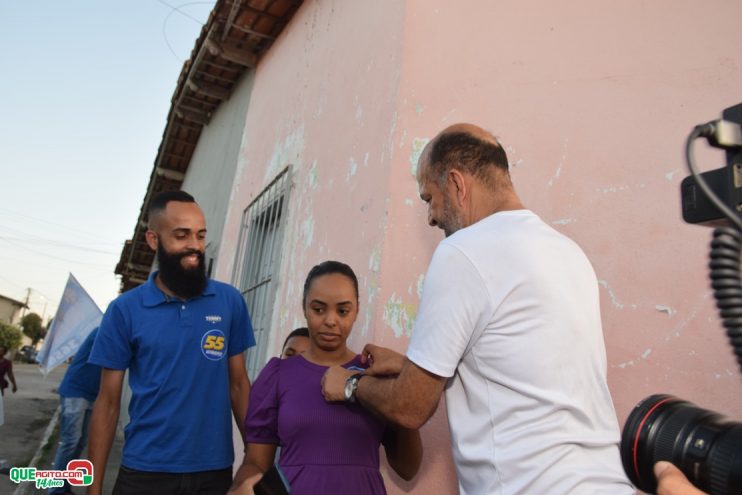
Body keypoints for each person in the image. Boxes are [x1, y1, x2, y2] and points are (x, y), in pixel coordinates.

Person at [322, 124, 634, 494]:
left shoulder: (463, 252)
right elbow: (517, 366)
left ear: (457, 184)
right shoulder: (568, 252)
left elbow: (410, 408)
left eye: (428, 198)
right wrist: (410, 365)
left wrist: (351, 385)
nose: (431, 217)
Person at [87, 190, 255, 495]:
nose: (195, 245)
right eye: (182, 235)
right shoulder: (125, 310)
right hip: (144, 473)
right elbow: (107, 403)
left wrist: (256, 459)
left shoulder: (229, 301)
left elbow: (239, 385)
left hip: (213, 472)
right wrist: (93, 486)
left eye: (200, 235)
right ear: (153, 240)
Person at [229, 261, 422, 494]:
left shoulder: (374, 374)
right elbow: (256, 462)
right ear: (304, 308)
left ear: (357, 310)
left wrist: (401, 385)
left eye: (342, 310)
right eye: (319, 309)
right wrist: (244, 485)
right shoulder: (278, 375)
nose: (330, 320)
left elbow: (407, 469)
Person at [49, 327, 101, 495]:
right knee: (71, 441)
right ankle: (55, 489)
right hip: (76, 391)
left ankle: (64, 487)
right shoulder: (102, 332)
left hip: (90, 395)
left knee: (80, 442)